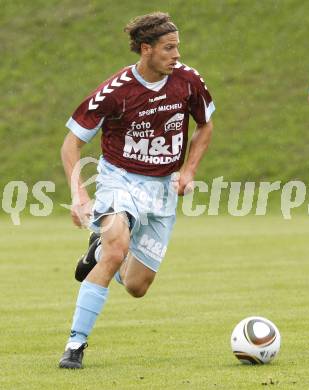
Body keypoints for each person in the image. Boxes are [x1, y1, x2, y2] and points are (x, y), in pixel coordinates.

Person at [59, 12, 215, 369]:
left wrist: (188, 170)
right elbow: (71, 145)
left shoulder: (188, 81)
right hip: (120, 180)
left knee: (136, 286)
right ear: (146, 49)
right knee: (118, 248)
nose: (177, 55)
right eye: (168, 48)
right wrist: (79, 195)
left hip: (162, 189)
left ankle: (98, 250)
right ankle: (75, 344)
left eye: (178, 47)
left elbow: (205, 126)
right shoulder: (114, 93)